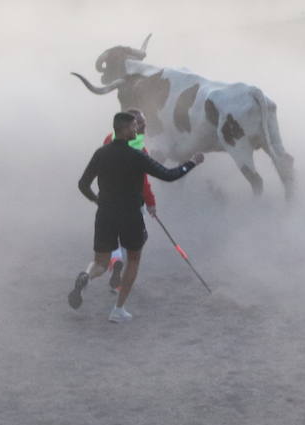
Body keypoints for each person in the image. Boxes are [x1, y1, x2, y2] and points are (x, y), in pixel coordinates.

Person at [69, 112, 204, 323]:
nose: (137, 130)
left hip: (105, 214)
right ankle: (118, 310)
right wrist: (192, 162)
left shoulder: (101, 153)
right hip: (130, 216)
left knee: (101, 262)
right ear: (122, 129)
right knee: (133, 259)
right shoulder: (138, 155)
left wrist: (97, 200)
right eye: (133, 126)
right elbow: (169, 175)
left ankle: (87, 277)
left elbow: (82, 184)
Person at [101, 109, 156, 292]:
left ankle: (115, 261)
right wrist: (150, 202)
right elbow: (144, 182)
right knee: (136, 238)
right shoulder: (140, 149)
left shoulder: (109, 139)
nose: (144, 128)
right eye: (141, 125)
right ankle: (119, 277)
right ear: (133, 125)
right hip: (131, 202)